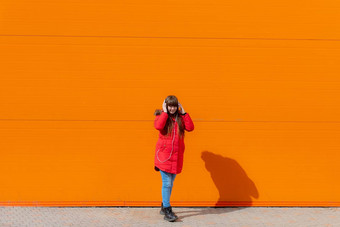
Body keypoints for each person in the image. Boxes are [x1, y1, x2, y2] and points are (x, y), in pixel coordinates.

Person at [154, 95, 194, 222]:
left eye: (174, 106)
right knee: (167, 183)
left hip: (176, 157)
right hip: (164, 157)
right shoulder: (161, 116)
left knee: (170, 184)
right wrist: (164, 112)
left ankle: (163, 205)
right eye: (170, 106)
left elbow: (190, 128)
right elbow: (158, 126)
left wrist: (184, 112)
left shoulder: (180, 118)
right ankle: (167, 209)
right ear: (166, 106)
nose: (172, 108)